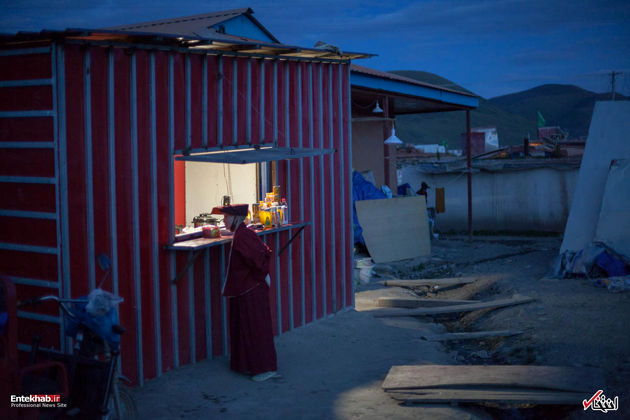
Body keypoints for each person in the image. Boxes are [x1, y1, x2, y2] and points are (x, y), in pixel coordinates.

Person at [211, 204, 279, 382]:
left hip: (251, 289)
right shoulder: (240, 234)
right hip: (245, 288)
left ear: (236, 218)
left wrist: (261, 277)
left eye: (226, 217)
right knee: (244, 327)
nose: (224, 221)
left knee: (255, 329)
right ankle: (247, 365)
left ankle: (264, 368)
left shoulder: (243, 236)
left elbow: (260, 259)